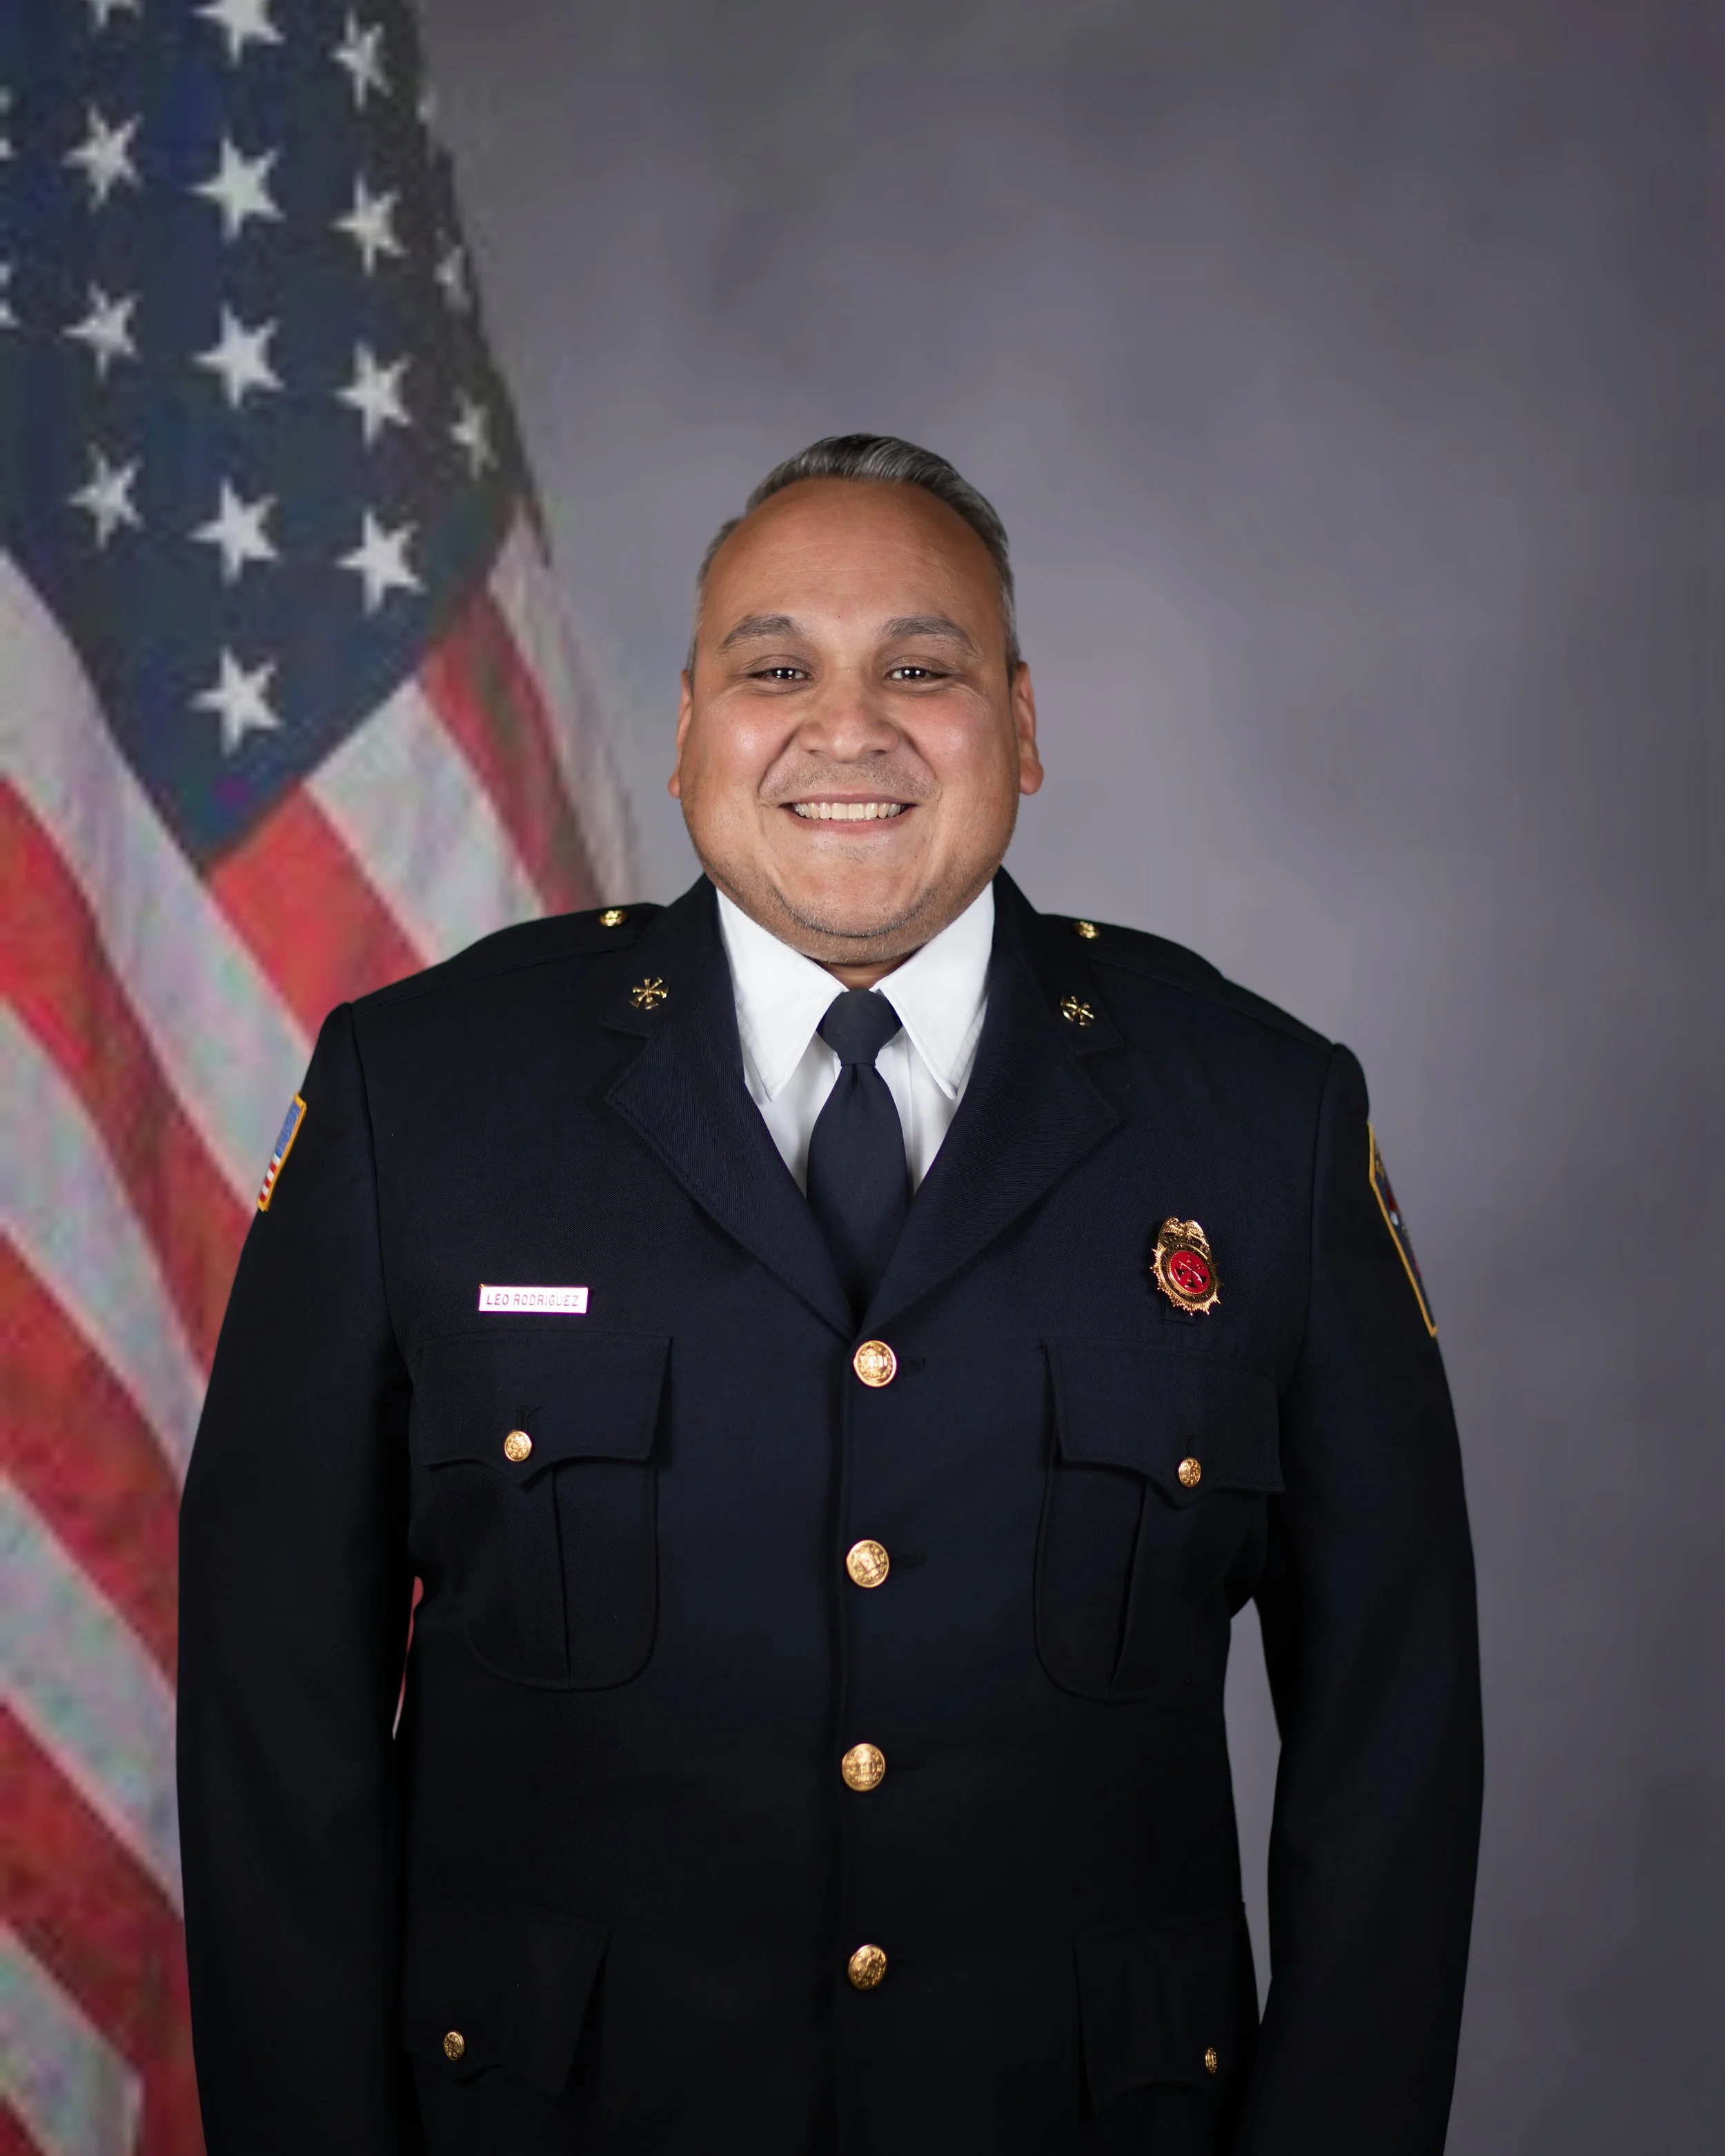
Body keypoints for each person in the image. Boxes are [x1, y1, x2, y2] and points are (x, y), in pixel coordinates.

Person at [177, 435, 1483, 2154]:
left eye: (920, 668)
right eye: (773, 665)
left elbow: (1390, 1749)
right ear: (688, 727)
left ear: (1020, 724)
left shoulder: (1258, 1120)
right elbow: (281, 1717)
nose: (844, 724)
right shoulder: (418, 1100)